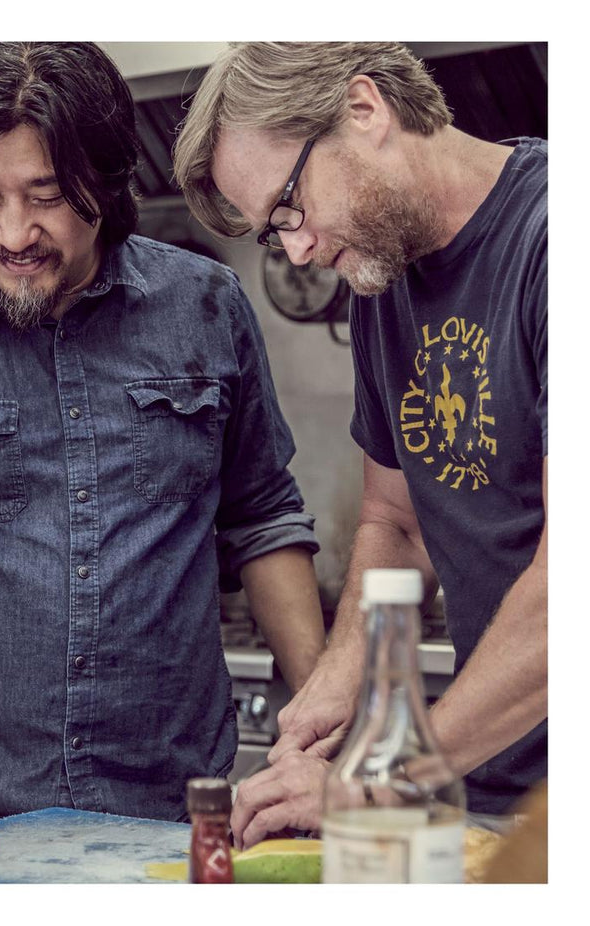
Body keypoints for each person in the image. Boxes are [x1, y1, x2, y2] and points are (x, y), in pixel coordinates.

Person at [0, 42, 327, 822]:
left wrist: (323, 732)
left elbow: (262, 518)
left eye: (49, 195)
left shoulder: (206, 305)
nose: (13, 232)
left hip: (170, 811)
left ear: (107, 180)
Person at [173, 41, 547, 845]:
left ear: (364, 108)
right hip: (501, 793)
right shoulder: (385, 280)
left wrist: (381, 779)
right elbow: (398, 524)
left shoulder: (555, 241)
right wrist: (343, 678)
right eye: (275, 234)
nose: (298, 249)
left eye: (289, 208)